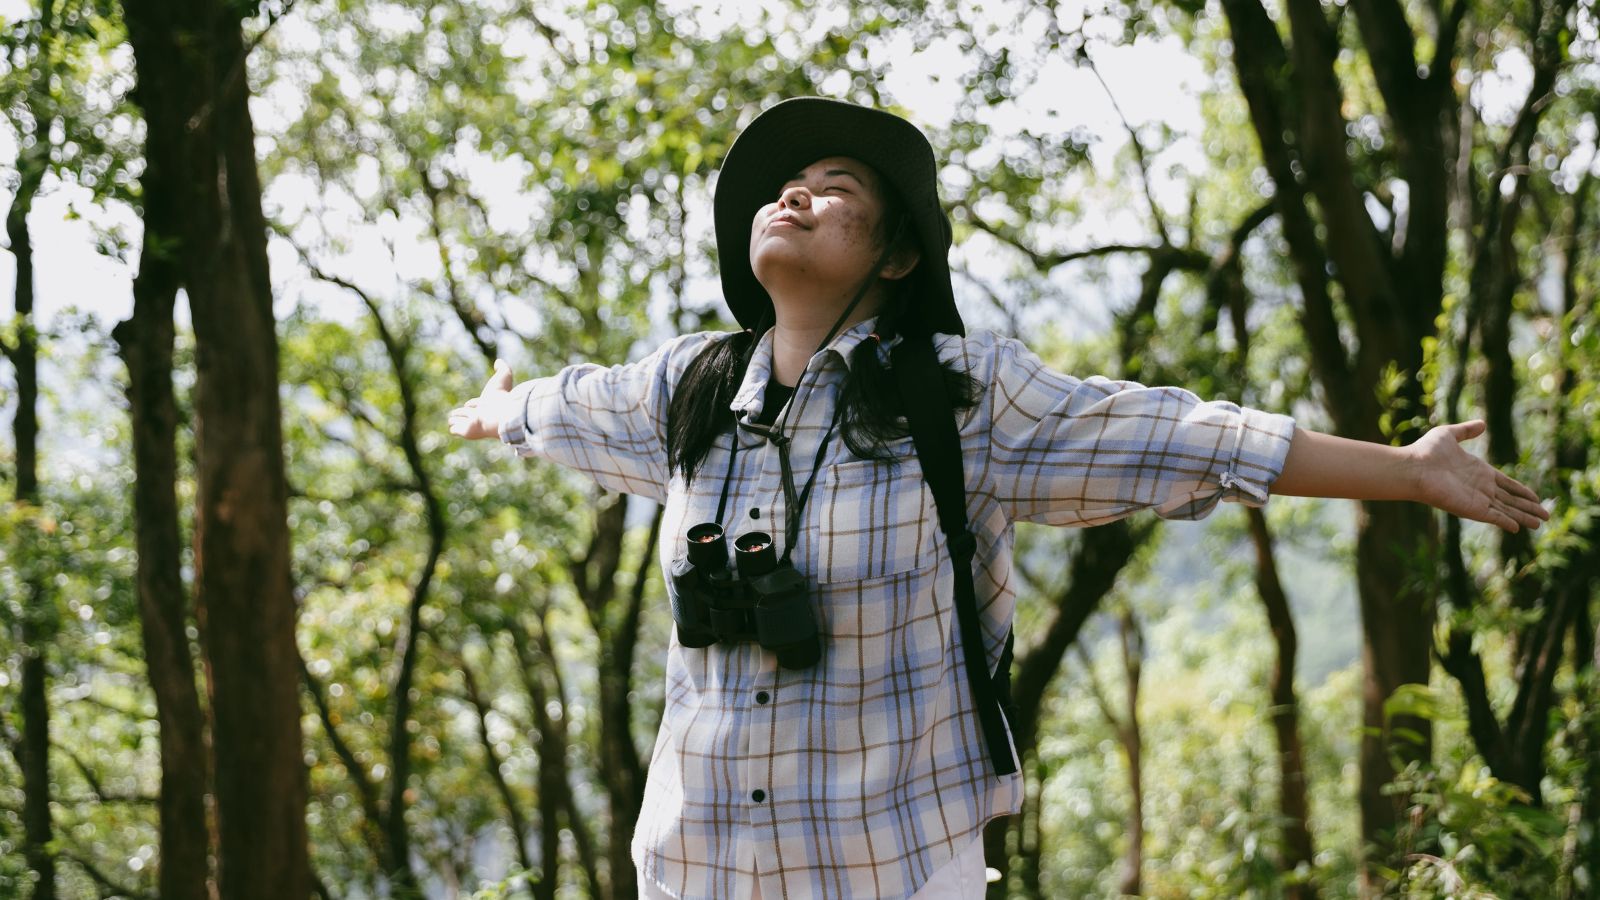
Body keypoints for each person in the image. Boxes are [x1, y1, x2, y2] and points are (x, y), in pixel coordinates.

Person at [447, 98, 1547, 899]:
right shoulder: (686, 390)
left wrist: (1404, 471)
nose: (798, 193)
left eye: (839, 189)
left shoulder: (960, 399)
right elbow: (563, 407)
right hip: (694, 871)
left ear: (891, 260)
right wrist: (494, 412)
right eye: (790, 185)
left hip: (886, 869)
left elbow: (1181, 437)